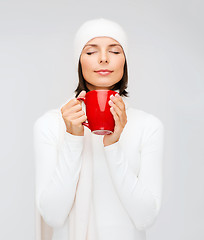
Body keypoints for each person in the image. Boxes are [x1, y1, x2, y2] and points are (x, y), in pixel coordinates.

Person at [33, 18, 165, 240]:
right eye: (91, 52)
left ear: (125, 61)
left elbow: (145, 218)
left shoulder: (148, 126)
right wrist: (73, 138)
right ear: (79, 61)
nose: (103, 58)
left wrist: (112, 146)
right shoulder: (50, 125)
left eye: (114, 51)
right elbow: (53, 217)